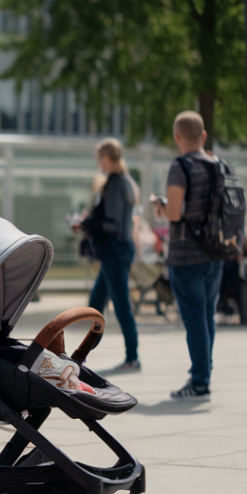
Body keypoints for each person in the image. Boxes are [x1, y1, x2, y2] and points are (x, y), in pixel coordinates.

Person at [151, 111, 224, 401]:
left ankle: (200, 380)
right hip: (216, 251)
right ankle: (204, 370)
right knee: (207, 315)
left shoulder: (179, 166)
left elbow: (175, 212)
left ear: (177, 138)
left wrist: (161, 208)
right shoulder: (217, 164)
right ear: (203, 136)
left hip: (186, 254)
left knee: (194, 318)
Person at [79, 138, 141, 374]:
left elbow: (112, 224)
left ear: (106, 157)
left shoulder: (115, 183)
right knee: (95, 304)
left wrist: (87, 224)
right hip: (117, 250)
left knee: (121, 305)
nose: (98, 164)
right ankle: (83, 355)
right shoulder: (125, 181)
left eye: (98, 159)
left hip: (115, 249)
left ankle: (132, 357)